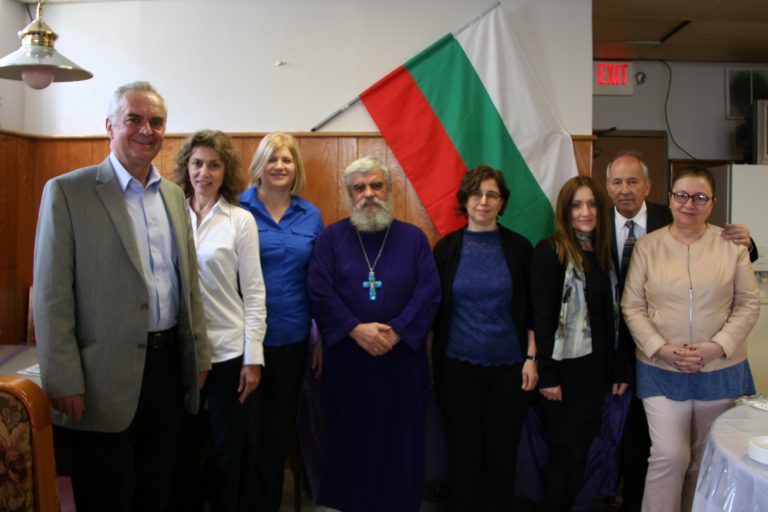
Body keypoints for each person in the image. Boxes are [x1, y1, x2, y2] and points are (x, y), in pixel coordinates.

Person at [31, 81, 210, 511]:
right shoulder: (68, 192)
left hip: (167, 370)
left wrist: (199, 357)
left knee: (156, 493)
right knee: (106, 496)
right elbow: (52, 297)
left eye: (157, 121)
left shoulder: (173, 196)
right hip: (100, 379)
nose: (147, 130)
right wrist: (63, 379)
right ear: (110, 126)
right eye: (134, 119)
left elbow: (189, 286)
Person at [605, 151, 758, 512]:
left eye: (700, 197)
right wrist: (660, 348)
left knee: (707, 459)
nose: (690, 204)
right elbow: (631, 305)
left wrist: (716, 346)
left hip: (720, 368)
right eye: (682, 195)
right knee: (669, 455)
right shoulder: (648, 246)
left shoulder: (731, 246)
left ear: (713, 203)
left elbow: (748, 304)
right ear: (670, 198)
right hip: (661, 367)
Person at [307, 156, 441, 512]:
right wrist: (354, 329)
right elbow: (319, 289)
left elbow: (429, 292)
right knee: (350, 440)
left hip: (402, 363)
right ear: (350, 194)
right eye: (360, 188)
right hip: (348, 363)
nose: (368, 194)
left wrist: (397, 331)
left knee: (399, 442)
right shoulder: (331, 239)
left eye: (376, 185)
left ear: (389, 190)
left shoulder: (413, 238)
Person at [171, 130, 267, 510]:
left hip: (228, 351)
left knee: (228, 450)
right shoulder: (170, 214)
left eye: (214, 165)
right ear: (186, 167)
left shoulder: (240, 221)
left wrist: (253, 358)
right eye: (197, 163)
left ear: (225, 171)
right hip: (180, 351)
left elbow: (254, 293)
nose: (204, 173)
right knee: (180, 449)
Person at [432, 165, 537, 512]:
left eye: (493, 195)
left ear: (502, 202)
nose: (484, 201)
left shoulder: (520, 248)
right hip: (457, 367)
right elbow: (432, 309)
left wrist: (532, 358)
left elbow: (533, 311)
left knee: (502, 452)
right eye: (477, 193)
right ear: (465, 199)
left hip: (510, 368)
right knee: (463, 452)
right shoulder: (446, 249)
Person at [531, 175, 628, 512]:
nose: (585, 212)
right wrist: (548, 374)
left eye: (591, 204)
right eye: (576, 205)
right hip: (563, 375)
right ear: (565, 211)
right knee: (565, 456)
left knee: (581, 454)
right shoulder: (550, 251)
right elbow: (542, 317)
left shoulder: (604, 254)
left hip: (595, 374)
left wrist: (617, 368)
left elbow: (613, 318)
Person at [239, 132, 323, 512]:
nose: (279, 166)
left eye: (286, 160)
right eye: (272, 159)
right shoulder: (237, 209)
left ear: (295, 168)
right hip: (243, 342)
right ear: (259, 165)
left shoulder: (311, 215)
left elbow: (319, 280)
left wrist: (320, 336)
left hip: (292, 338)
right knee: (247, 434)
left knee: (277, 434)